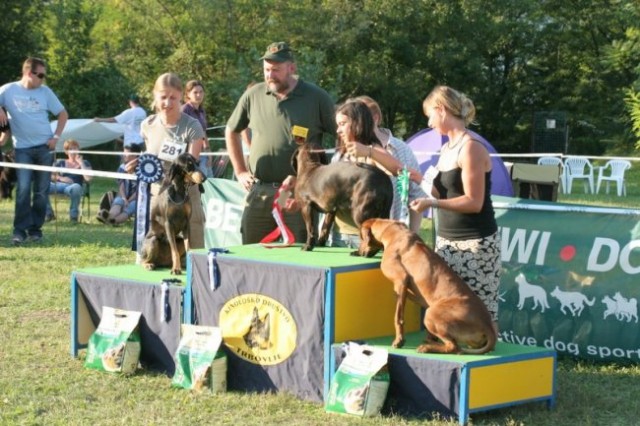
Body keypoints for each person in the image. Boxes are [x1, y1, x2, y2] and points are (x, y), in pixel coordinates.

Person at [225, 41, 337, 244]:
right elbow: (231, 131)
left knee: (298, 256)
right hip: (259, 191)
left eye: (276, 70)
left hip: (297, 193)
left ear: (292, 68)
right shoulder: (254, 95)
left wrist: (325, 179)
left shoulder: (316, 97)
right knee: (252, 254)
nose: (270, 75)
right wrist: (240, 171)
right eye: (266, 70)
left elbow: (342, 136)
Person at [409, 85, 501, 328]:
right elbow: (442, 191)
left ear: (441, 110)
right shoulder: (446, 148)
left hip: (475, 244)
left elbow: (474, 202)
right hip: (446, 243)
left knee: (482, 315)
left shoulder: (471, 148)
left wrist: (433, 203)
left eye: (429, 115)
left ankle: (490, 364)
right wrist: (416, 179)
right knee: (453, 312)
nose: (429, 123)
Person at [329, 99, 421, 248]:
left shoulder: (375, 149)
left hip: (372, 238)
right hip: (340, 236)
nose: (338, 130)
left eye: (342, 124)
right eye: (337, 125)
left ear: (357, 123)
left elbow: (399, 171)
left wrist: (369, 152)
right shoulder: (339, 155)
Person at [0, 57, 68, 245]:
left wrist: (55, 137)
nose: (43, 79)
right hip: (22, 149)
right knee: (22, 190)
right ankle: (19, 231)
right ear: (29, 73)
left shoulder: (45, 92)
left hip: (45, 149)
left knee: (41, 192)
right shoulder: (8, 90)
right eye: (40, 75)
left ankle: (35, 230)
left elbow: (63, 114)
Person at [140, 73, 206, 249]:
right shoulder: (147, 125)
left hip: (185, 196)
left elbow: (192, 169)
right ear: (155, 96)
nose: (167, 103)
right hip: (158, 196)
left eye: (173, 98)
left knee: (193, 251)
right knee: (155, 247)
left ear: (181, 99)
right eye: (163, 97)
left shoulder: (192, 126)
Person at [355, 95, 427, 233]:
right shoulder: (345, 148)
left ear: (375, 119)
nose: (353, 125)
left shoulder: (401, 149)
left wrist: (412, 235)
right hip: (346, 236)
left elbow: (416, 194)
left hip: (389, 233)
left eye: (358, 119)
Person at [46, 139, 92, 223]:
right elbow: (50, 175)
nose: (73, 151)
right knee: (42, 185)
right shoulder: (60, 162)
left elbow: (88, 179)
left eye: (75, 148)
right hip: (59, 185)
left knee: (76, 187)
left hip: (73, 187)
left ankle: (73, 217)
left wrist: (81, 163)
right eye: (71, 149)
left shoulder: (85, 163)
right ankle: (49, 214)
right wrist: (61, 178)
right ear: (66, 152)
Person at [96, 144, 141, 225]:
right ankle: (109, 218)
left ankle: (112, 221)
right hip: (123, 195)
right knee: (118, 201)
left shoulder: (142, 168)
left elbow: (140, 189)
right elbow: (121, 185)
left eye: (126, 152)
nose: (123, 154)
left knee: (131, 207)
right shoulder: (122, 167)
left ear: (135, 154)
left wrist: (129, 200)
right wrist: (124, 198)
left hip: (137, 198)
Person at [182, 80, 212, 177]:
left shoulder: (202, 111)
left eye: (201, 92)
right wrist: (191, 157)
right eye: (195, 92)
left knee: (209, 182)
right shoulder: (184, 110)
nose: (199, 95)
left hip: (203, 155)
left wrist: (209, 153)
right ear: (188, 94)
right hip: (189, 157)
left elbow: (203, 133)